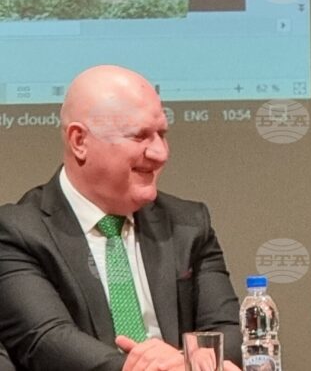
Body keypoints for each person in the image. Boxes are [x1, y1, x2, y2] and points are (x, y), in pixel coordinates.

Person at [0, 65, 242, 370]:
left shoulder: (189, 225)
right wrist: (149, 368)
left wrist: (186, 362)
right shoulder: (18, 232)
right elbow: (47, 340)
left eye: (162, 134)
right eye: (140, 136)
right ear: (79, 141)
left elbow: (228, 332)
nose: (160, 153)